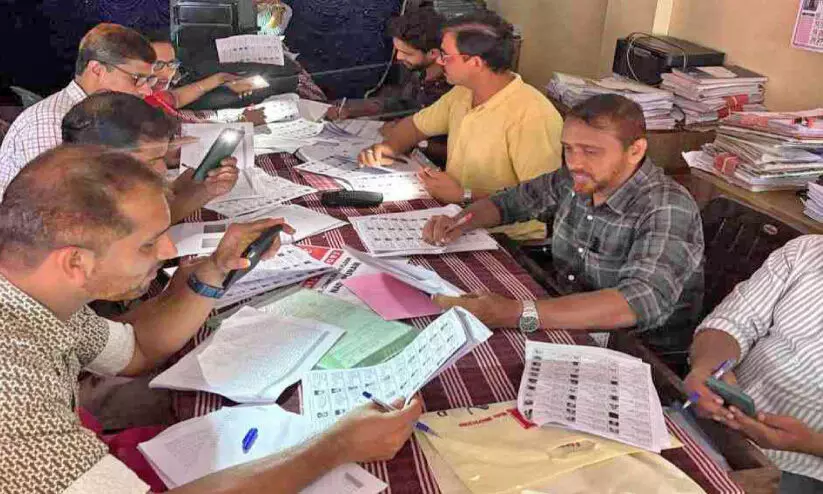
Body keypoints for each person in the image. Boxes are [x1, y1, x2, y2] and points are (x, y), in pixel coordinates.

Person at [0, 144, 422, 493]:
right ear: (76, 262)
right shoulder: (14, 388)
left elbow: (136, 349)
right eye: (148, 244)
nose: (169, 251)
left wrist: (217, 269)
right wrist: (335, 447)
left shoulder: (40, 297)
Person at [422, 94, 704, 363]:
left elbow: (637, 302)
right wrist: (459, 221)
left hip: (635, 351)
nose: (575, 162)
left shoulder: (666, 207)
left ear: (635, 151)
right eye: (568, 149)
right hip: (562, 314)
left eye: (591, 151)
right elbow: (509, 203)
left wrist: (516, 313)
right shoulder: (575, 178)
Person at [358, 10, 563, 240]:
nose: (438, 61)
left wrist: (464, 194)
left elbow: (541, 199)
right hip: (453, 215)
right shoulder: (463, 92)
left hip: (506, 238)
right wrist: (387, 148)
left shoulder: (533, 115)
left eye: (446, 55)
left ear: (475, 63)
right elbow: (415, 126)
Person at [684, 235, 823, 493]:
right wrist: (706, 367)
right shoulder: (806, 251)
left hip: (799, 468)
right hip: (712, 418)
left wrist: (811, 443)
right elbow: (733, 322)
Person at [0, 23, 157, 196]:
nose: (147, 91)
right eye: (137, 79)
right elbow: (58, 202)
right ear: (97, 70)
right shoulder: (51, 121)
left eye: (149, 81)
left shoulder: (106, 115)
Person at [61, 92, 239, 223]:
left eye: (161, 157)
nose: (163, 170)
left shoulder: (111, 187)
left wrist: (205, 190)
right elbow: (146, 230)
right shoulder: (84, 218)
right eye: (151, 161)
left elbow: (154, 221)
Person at [324, 6, 450, 122]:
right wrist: (355, 110)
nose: (399, 57)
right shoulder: (419, 73)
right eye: (398, 50)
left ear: (433, 53)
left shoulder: (448, 90)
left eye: (407, 53)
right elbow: (405, 104)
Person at [143, 29, 261, 118]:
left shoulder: (156, 96)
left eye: (172, 63)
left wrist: (223, 78)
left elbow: (176, 97)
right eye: (158, 65)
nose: (166, 71)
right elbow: (183, 126)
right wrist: (243, 120)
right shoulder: (139, 105)